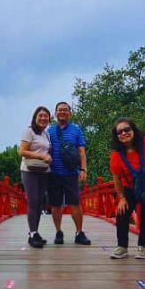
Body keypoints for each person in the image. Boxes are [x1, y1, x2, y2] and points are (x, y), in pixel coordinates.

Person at [108, 118, 145, 259]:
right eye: (120, 132)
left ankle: (142, 247)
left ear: (133, 130)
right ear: (116, 136)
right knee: (122, 213)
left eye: (127, 129)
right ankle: (122, 247)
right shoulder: (116, 156)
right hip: (130, 187)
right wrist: (121, 198)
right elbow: (117, 178)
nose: (124, 133)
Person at [47, 102, 90, 245]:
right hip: (53, 173)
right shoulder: (50, 130)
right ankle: (58, 231)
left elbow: (81, 151)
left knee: (75, 203)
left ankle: (79, 232)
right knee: (55, 204)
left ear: (70, 113)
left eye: (65, 110)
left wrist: (83, 169)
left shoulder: (76, 130)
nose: (62, 112)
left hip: (71, 173)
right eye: (60, 110)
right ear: (55, 113)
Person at [19, 106, 53, 248]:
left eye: (46, 116)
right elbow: (21, 151)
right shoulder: (29, 131)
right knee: (33, 201)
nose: (43, 118)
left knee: (40, 202)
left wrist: (48, 157)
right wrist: (40, 156)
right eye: (41, 116)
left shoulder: (46, 134)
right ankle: (33, 233)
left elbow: (48, 150)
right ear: (35, 117)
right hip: (29, 170)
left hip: (44, 171)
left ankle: (35, 232)